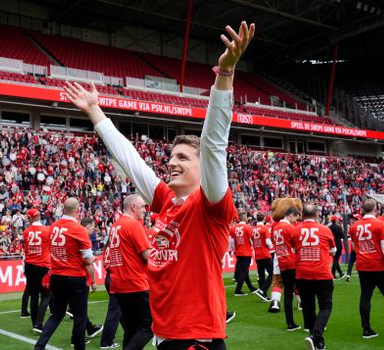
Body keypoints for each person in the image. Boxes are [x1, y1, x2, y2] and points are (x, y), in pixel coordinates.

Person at [63, 21, 255, 350]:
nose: (171, 162)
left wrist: (224, 76)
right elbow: (131, 161)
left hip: (196, 337)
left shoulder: (210, 206)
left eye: (183, 158)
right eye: (171, 156)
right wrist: (95, 111)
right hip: (165, 334)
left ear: (202, 169)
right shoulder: (166, 200)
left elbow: (213, 144)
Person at [34, 198, 96, 350]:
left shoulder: (53, 227)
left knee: (57, 314)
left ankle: (39, 346)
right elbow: (88, 261)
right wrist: (93, 280)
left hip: (56, 276)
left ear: (63, 210)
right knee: (80, 317)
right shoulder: (79, 229)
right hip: (75, 276)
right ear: (78, 211)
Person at [104, 194, 152, 350]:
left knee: (131, 328)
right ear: (133, 207)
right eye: (143, 206)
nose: (145, 210)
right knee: (149, 326)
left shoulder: (116, 226)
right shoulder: (133, 225)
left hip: (118, 283)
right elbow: (148, 256)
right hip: (135, 283)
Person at [348, 198, 384, 339]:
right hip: (379, 265)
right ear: (375, 209)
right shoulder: (379, 225)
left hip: (363, 266)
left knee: (365, 296)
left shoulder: (354, 226)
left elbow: (354, 248)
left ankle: (366, 329)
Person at [292, 205, 336, 350]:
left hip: (302, 273)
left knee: (308, 307)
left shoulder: (295, 230)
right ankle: (315, 335)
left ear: (302, 215)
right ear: (317, 214)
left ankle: (316, 341)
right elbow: (333, 251)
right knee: (326, 306)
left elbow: (293, 249)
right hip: (321, 273)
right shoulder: (325, 229)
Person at [22, 208, 52, 333]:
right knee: (46, 295)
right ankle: (39, 323)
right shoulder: (47, 230)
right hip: (43, 265)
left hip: (29, 265)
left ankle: (35, 323)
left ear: (30, 218)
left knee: (34, 295)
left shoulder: (26, 232)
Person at [272, 207, 301, 331]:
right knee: (302, 290)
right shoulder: (289, 227)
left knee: (288, 294)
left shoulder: (276, 227)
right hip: (292, 261)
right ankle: (309, 323)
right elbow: (297, 244)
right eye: (295, 218)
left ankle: (290, 323)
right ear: (291, 215)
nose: (295, 221)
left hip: (282, 262)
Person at [230, 212, 257, 296]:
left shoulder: (233, 228)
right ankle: (238, 290)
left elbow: (231, 241)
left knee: (245, 271)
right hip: (246, 252)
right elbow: (251, 240)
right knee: (244, 271)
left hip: (238, 252)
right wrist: (253, 247)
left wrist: (234, 250)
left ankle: (251, 288)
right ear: (244, 218)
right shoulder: (248, 228)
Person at [252, 212, 273, 301]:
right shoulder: (264, 229)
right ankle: (263, 290)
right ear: (264, 218)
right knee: (272, 273)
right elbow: (268, 242)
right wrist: (271, 246)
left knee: (261, 275)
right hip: (265, 254)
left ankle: (263, 296)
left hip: (257, 254)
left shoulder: (253, 229)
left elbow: (252, 241)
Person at [328, 215, 345, 279]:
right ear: (336, 220)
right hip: (338, 245)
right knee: (335, 260)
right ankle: (332, 274)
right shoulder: (339, 227)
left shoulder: (329, 227)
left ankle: (340, 273)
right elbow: (342, 236)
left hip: (332, 245)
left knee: (335, 260)